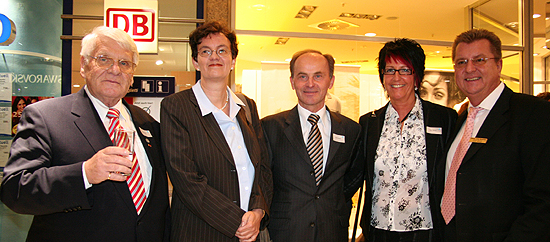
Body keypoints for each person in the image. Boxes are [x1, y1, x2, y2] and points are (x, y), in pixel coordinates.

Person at [0, 26, 170, 241]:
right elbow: (16, 190)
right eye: (104, 59)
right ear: (83, 65)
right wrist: (84, 173)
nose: (115, 69)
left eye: (124, 63)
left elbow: (157, 205)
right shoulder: (45, 116)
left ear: (132, 74)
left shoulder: (148, 124)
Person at [160, 21, 272, 242]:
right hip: (200, 232)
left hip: (250, 231)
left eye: (222, 51)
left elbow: (264, 168)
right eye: (205, 51)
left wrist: (259, 212)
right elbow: (186, 180)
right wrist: (237, 222)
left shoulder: (247, 106)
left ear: (233, 61)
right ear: (195, 61)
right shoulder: (176, 106)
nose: (215, 57)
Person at [438, 28, 550, 242]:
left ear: (498, 65)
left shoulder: (533, 113)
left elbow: (543, 202)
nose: (469, 68)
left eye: (479, 60)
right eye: (461, 62)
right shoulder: (459, 119)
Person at [356, 38, 457, 242]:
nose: (396, 77)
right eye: (390, 70)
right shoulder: (369, 123)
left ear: (417, 76)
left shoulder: (444, 119)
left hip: (425, 231)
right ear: (382, 76)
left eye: (405, 70)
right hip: (378, 231)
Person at [261, 49, 361, 242]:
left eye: (318, 76)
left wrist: (334, 202)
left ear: (331, 81)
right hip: (285, 232)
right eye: (302, 77)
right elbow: (264, 179)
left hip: (332, 231)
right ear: (292, 82)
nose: (310, 84)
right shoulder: (269, 127)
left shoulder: (351, 130)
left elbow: (353, 176)